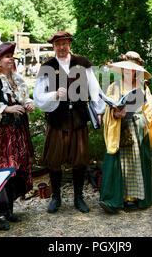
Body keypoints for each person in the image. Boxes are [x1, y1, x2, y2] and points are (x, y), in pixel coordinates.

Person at [33, 31, 105, 214]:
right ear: (53, 47)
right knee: (54, 160)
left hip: (78, 118)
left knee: (79, 160)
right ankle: (56, 197)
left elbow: (94, 88)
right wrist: (54, 94)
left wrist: (99, 111)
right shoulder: (47, 66)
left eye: (64, 43)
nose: (61, 47)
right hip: (57, 120)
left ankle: (78, 198)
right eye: (58, 44)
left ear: (69, 44)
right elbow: (38, 95)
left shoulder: (82, 63)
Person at [99, 51, 152, 214]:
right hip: (120, 130)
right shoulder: (114, 87)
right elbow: (108, 110)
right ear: (122, 70)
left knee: (137, 163)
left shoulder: (142, 87)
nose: (130, 72)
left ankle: (138, 198)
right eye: (127, 69)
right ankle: (118, 199)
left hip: (139, 130)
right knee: (121, 164)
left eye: (133, 69)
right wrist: (116, 114)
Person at [0, 42, 35, 231]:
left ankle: (9, 209)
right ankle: (0, 213)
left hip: (18, 133)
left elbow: (24, 97)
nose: (11, 58)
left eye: (12, 55)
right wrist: (6, 108)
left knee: (16, 171)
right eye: (6, 56)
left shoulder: (17, 80)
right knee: (2, 172)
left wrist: (28, 104)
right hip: (1, 135)